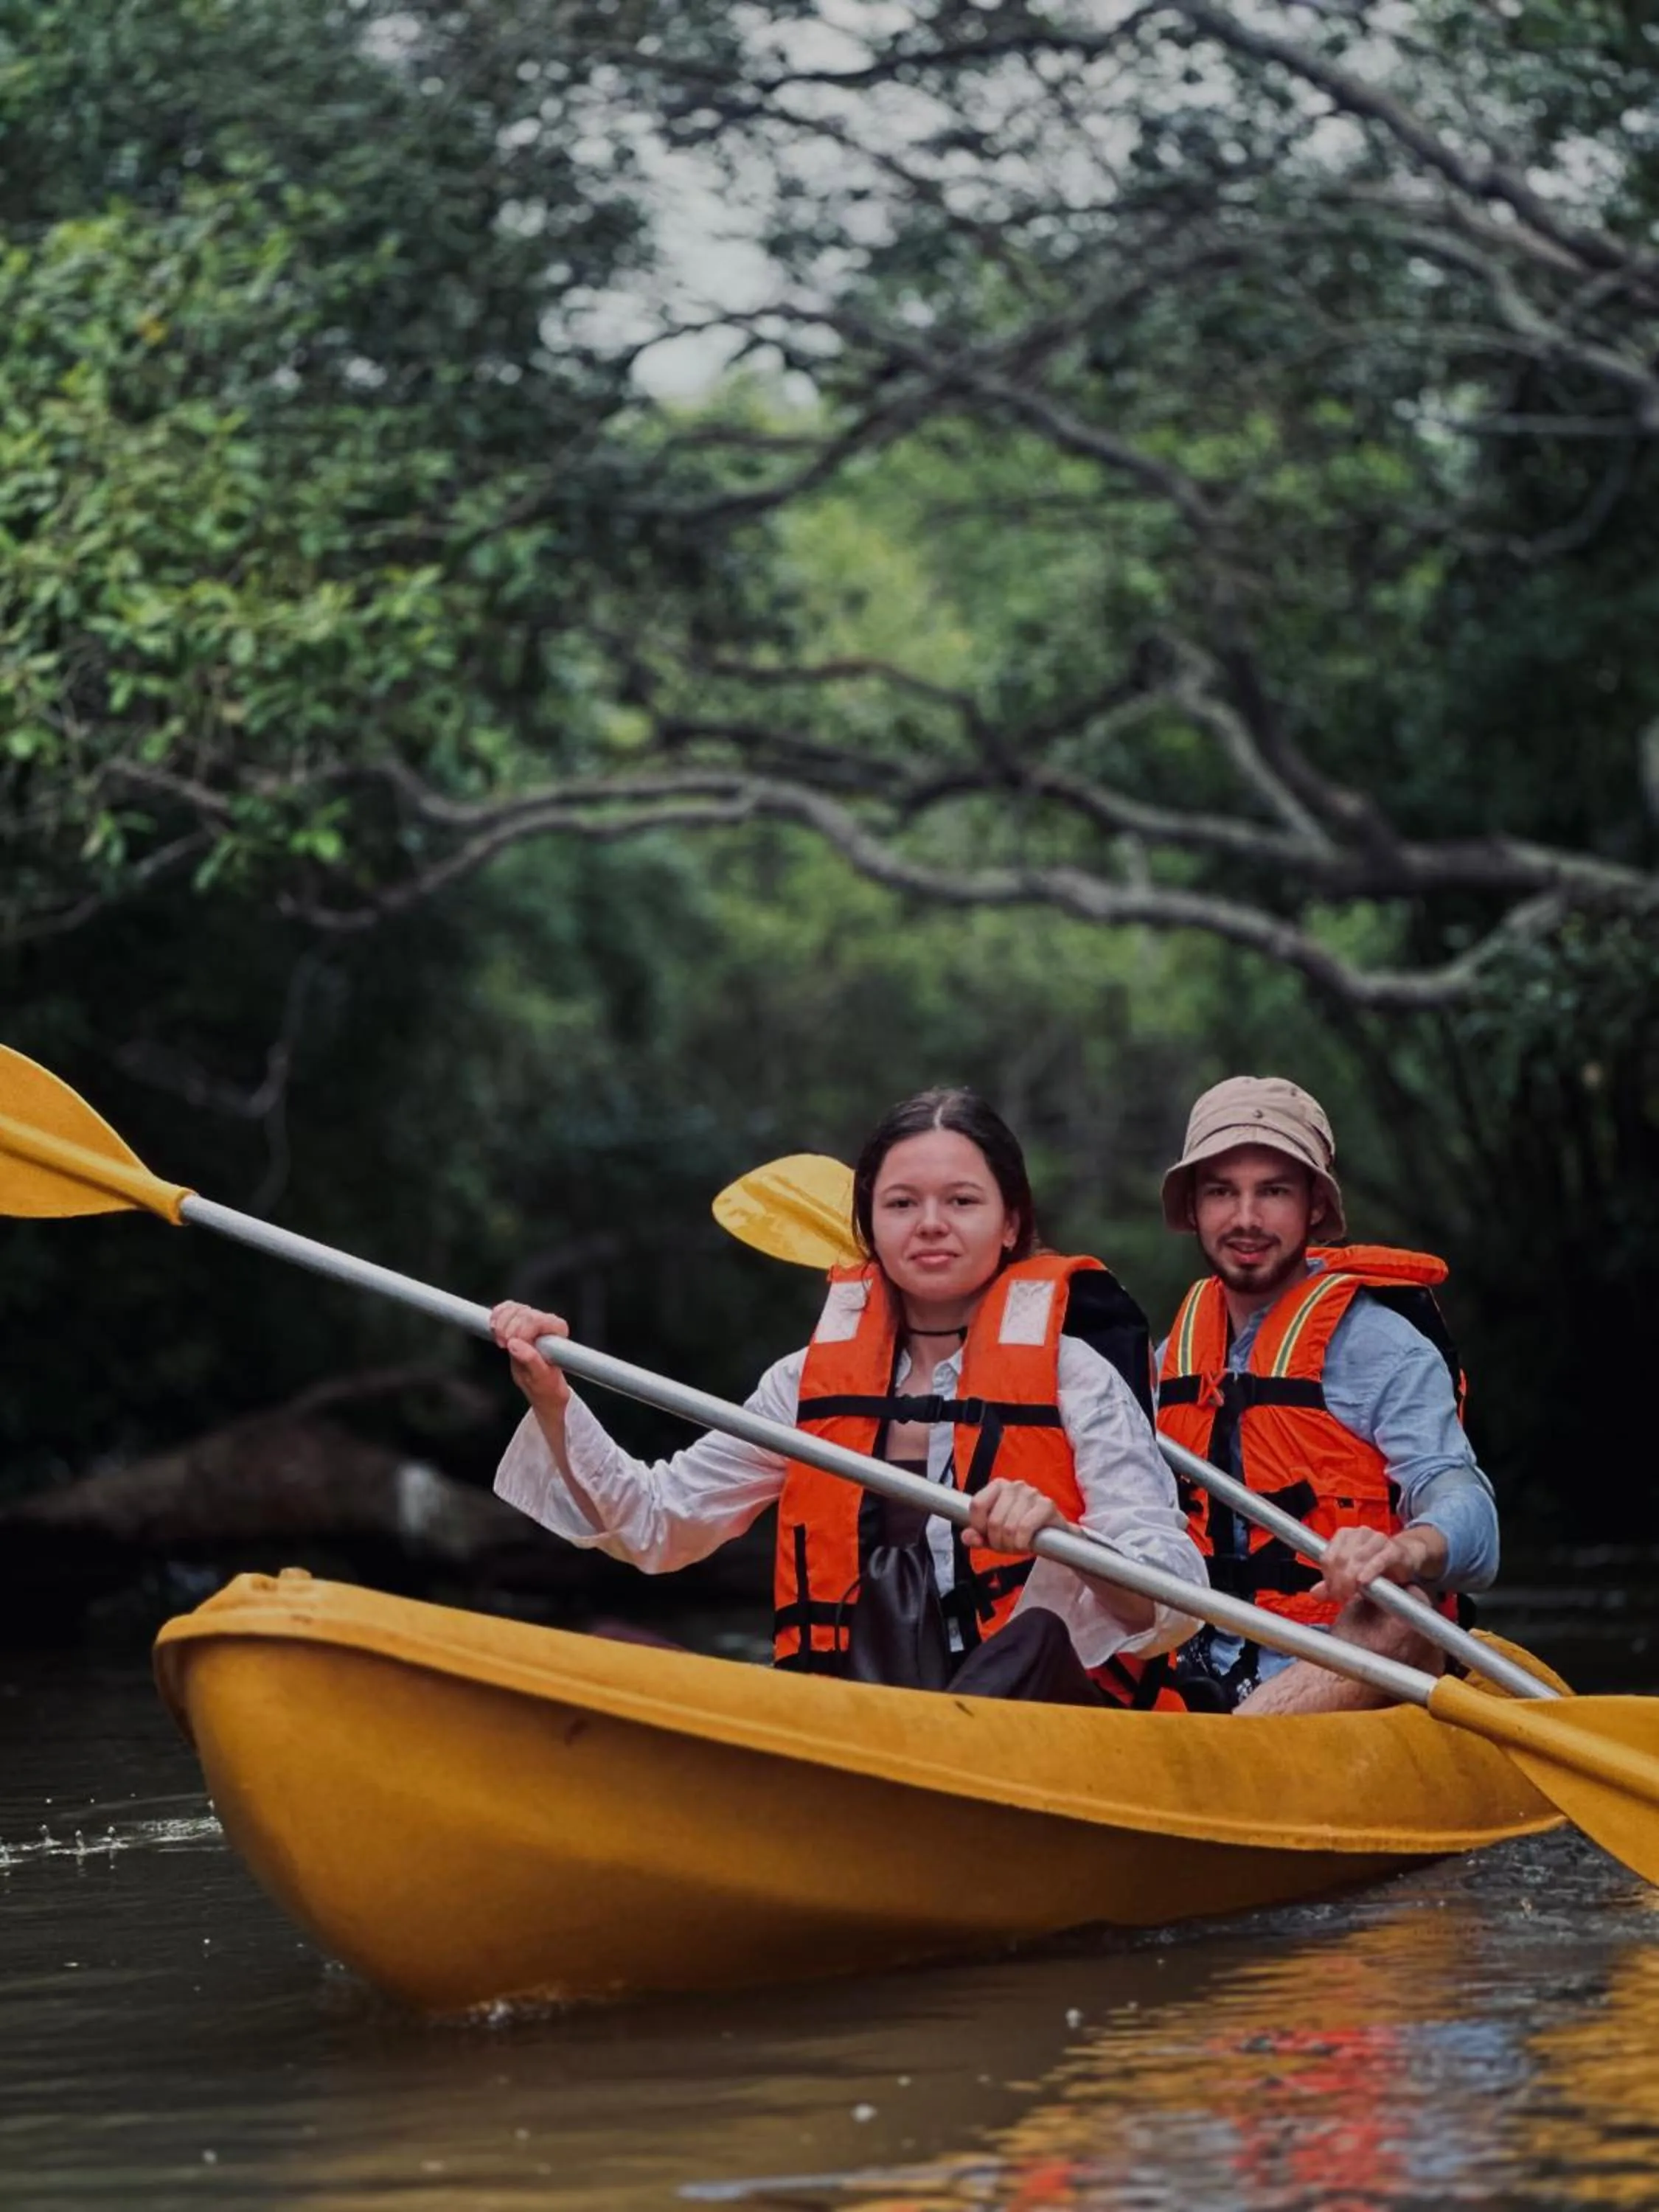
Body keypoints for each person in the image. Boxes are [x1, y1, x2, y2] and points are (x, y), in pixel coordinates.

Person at [490, 1087, 1205, 1705]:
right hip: (860, 1713)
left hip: (1030, 1720)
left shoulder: (1075, 1376)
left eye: (962, 1201)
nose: (931, 1224)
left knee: (1038, 1638)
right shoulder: (805, 1384)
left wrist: (1069, 1542)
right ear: (869, 1226)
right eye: (902, 1203)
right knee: (615, 1644)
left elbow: (1172, 1597)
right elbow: (657, 1525)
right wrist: (552, 1399)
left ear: (1011, 1223)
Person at [1152, 1075, 1499, 1716]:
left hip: (1344, 1655)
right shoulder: (1173, 1353)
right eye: (1222, 1192)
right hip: (1198, 1661)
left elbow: (1472, 1515)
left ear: (1314, 1206)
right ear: (1194, 1208)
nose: (1246, 1218)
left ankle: (1233, 1751)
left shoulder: (1383, 1347)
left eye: (1273, 1192)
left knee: (1405, 1617)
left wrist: (1404, 1550)